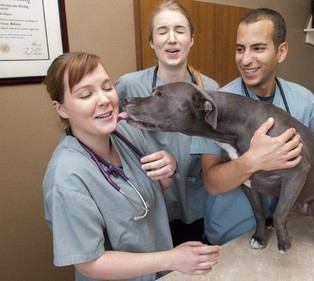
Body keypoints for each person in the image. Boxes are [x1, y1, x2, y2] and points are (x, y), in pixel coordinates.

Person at [191, 8, 314, 245]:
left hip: (288, 228)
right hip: (232, 234)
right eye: (240, 49)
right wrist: (252, 160)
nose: (245, 59)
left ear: (281, 51)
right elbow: (211, 182)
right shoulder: (215, 106)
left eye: (258, 48)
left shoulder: (301, 98)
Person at [43, 52, 221, 281]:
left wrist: (169, 166)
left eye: (107, 87)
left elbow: (153, 189)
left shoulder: (125, 132)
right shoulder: (67, 177)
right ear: (61, 109)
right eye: (86, 94)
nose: (104, 99)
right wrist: (171, 258)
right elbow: (90, 262)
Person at [115, 0, 221, 245]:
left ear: (191, 39)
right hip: (151, 204)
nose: (171, 38)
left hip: (197, 207)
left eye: (180, 31)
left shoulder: (210, 91)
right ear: (152, 42)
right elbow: (99, 136)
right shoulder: (129, 86)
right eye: (162, 31)